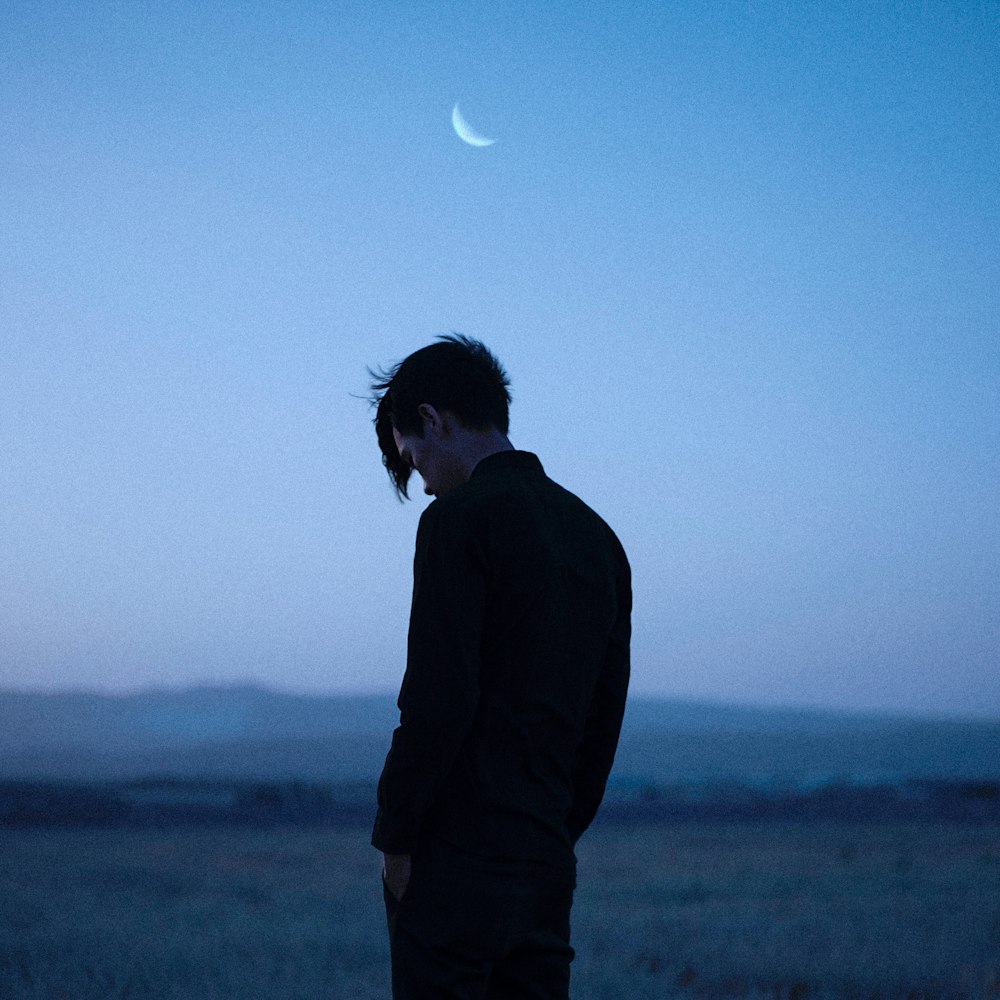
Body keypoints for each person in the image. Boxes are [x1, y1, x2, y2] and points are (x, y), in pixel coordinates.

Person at [368, 334, 631, 1000]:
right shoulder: (598, 539)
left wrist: (396, 841)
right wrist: (550, 835)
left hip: (454, 862)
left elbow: (436, 701)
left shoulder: (459, 522)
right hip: (544, 861)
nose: (423, 481)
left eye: (413, 457)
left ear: (434, 419)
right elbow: (602, 722)